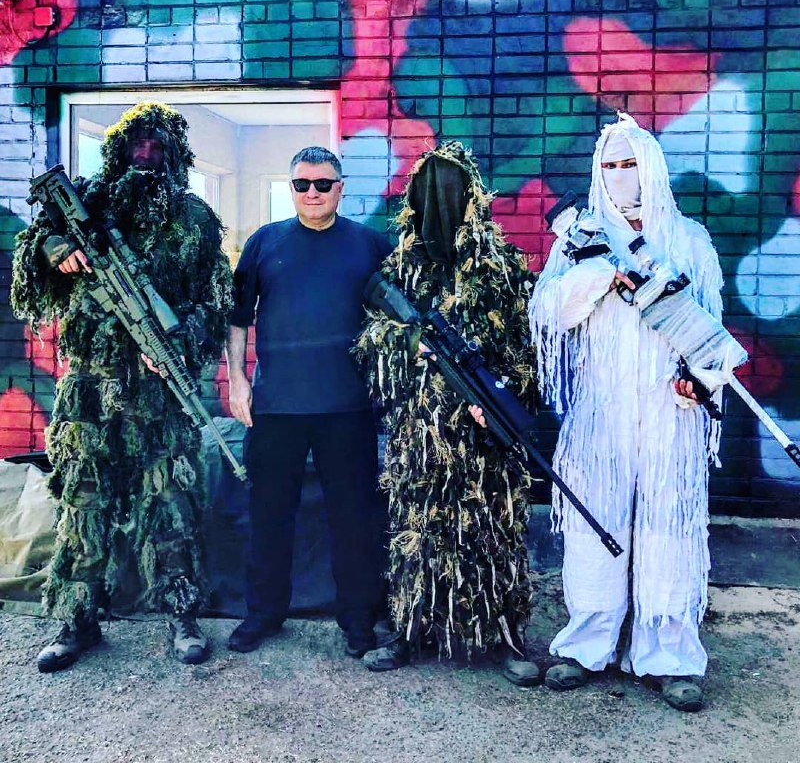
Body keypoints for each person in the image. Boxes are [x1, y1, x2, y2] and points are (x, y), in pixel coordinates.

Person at [11, 101, 233, 672]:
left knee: (172, 504)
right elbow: (32, 258)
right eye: (137, 145)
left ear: (176, 157)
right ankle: (77, 620)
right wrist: (54, 250)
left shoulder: (195, 219)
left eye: (158, 148)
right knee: (84, 503)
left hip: (161, 394)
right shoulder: (88, 202)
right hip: (90, 388)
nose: (146, 156)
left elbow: (216, 303)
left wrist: (180, 345)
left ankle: (181, 614)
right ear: (117, 152)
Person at [526, 113, 725, 711]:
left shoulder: (689, 240)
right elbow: (548, 311)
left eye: (630, 163)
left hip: (671, 412)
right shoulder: (579, 238)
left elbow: (711, 329)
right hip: (601, 411)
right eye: (609, 165)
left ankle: (669, 655)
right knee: (596, 527)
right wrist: (596, 276)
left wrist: (700, 383)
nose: (619, 174)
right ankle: (586, 646)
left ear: (652, 167)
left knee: (670, 530)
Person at [354, 142, 541, 685]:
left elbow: (528, 349)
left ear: (473, 197)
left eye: (452, 190)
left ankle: (505, 636)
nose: (440, 203)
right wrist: (409, 342)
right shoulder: (399, 268)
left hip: (484, 436)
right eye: (430, 190)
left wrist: (505, 400)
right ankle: (410, 630)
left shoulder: (501, 267)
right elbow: (368, 340)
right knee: (417, 531)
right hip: (420, 430)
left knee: (491, 531)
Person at [225, 146, 392, 658]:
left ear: (341, 188)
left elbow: (395, 322)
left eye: (323, 184)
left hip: (349, 409)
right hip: (276, 408)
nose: (312, 193)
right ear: (291, 188)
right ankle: (263, 614)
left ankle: (359, 620)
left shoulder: (371, 245)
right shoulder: (264, 243)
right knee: (269, 516)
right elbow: (237, 317)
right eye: (302, 184)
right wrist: (237, 380)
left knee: (354, 519)